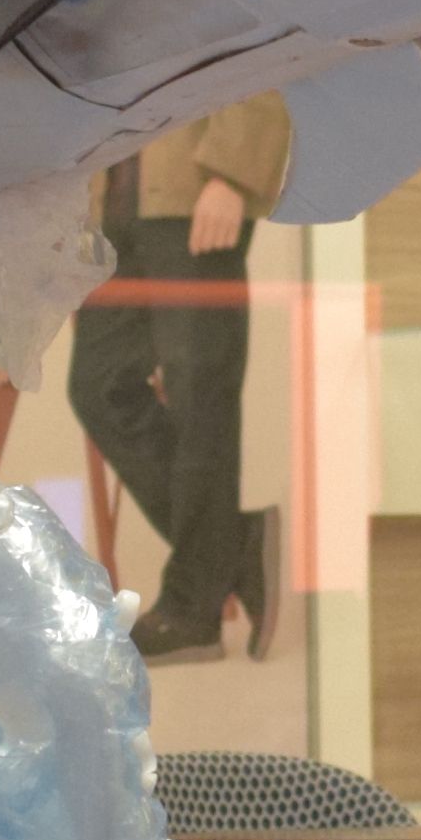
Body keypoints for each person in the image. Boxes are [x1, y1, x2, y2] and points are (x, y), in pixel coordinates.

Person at [64, 91, 285, 660]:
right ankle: (233, 546)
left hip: (193, 190)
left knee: (199, 395)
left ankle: (194, 609)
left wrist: (232, 176)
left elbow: (264, 55)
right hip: (111, 204)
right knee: (99, 388)